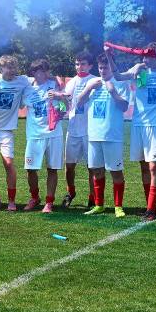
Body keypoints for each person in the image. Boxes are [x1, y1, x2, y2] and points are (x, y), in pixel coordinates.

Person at [109, 42, 156, 221]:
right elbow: (118, 76)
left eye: (147, 57)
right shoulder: (139, 72)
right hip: (138, 124)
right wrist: (110, 57)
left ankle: (150, 209)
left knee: (153, 166)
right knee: (143, 165)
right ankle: (150, 206)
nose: (143, 60)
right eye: (142, 57)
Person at [76, 54, 130, 217]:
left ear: (112, 68)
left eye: (105, 67)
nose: (102, 71)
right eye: (100, 68)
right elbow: (78, 102)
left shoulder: (120, 83)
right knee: (97, 171)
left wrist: (113, 92)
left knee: (115, 171)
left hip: (112, 136)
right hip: (93, 135)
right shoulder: (93, 83)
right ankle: (99, 205)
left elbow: (124, 107)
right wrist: (88, 88)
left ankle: (118, 206)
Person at [0, 55, 30, 211]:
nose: (11, 71)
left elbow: (38, 79)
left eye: (13, 68)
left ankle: (11, 200)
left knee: (9, 164)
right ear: (0, 68)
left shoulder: (22, 80)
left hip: (6, 131)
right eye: (8, 68)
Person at [22, 59, 66, 213]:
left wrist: (61, 106)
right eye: (42, 71)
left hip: (54, 134)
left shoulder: (54, 84)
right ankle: (35, 197)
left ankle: (49, 202)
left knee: (52, 169)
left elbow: (65, 104)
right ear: (34, 73)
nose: (46, 74)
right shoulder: (27, 89)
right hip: (34, 134)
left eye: (47, 71)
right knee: (30, 169)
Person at [61, 52, 97, 208]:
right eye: (77, 64)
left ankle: (93, 196)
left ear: (90, 66)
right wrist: (61, 109)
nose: (79, 67)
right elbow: (66, 105)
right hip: (73, 129)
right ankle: (71, 192)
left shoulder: (96, 80)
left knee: (92, 167)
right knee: (69, 166)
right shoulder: (71, 82)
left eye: (83, 63)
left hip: (90, 130)